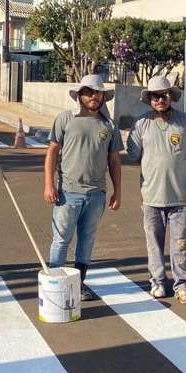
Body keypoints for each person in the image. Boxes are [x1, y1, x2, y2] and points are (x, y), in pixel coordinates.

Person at [44, 74, 122, 301]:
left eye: (97, 92)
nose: (93, 96)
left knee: (87, 240)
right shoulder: (65, 119)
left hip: (96, 194)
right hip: (67, 193)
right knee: (61, 240)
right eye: (88, 91)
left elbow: (114, 161)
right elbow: (52, 152)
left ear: (103, 96)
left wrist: (118, 191)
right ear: (79, 95)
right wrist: (49, 184)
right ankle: (56, 284)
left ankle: (79, 284)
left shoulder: (108, 125)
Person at [126, 75, 186, 304]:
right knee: (154, 245)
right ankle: (158, 282)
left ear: (171, 96)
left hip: (180, 198)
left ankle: (182, 287)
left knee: (181, 245)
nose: (160, 99)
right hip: (151, 197)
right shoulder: (141, 124)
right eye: (155, 96)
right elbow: (134, 154)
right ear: (148, 98)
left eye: (164, 95)